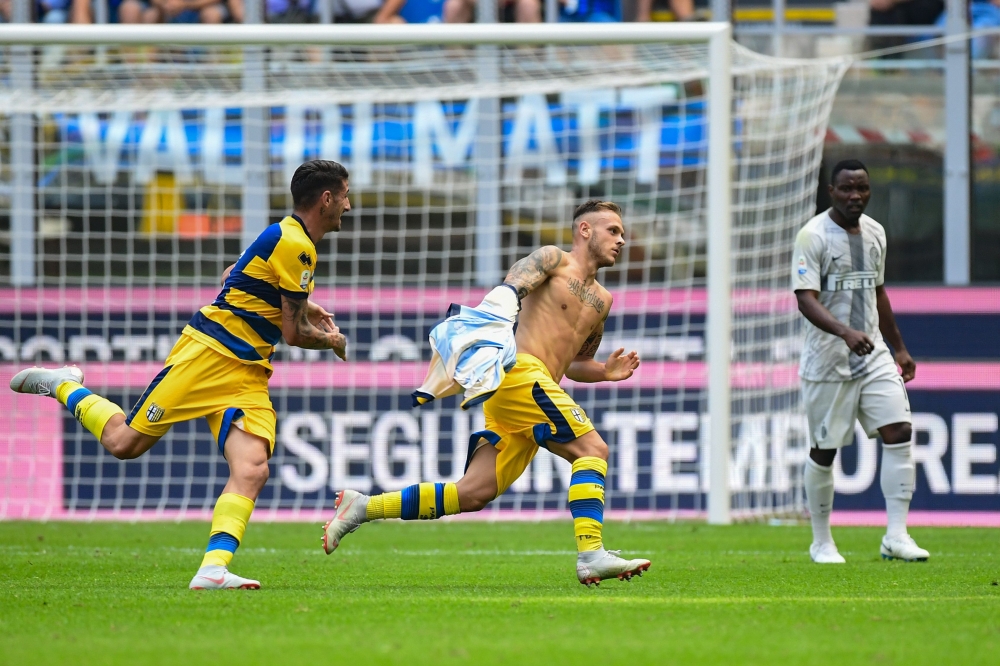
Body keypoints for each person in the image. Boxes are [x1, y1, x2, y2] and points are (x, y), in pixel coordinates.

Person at [10, 160, 351, 589]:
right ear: (326, 199)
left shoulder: (285, 235)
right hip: (208, 354)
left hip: (246, 370)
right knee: (124, 443)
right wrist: (333, 342)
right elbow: (293, 332)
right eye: (345, 195)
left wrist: (306, 306)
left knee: (253, 468)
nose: (348, 204)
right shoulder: (297, 244)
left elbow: (235, 275)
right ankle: (63, 385)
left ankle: (213, 569)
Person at [322, 200, 651, 586]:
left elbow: (575, 362)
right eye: (613, 230)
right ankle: (591, 554)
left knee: (473, 494)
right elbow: (517, 280)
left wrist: (605, 372)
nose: (621, 239)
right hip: (519, 373)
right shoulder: (553, 260)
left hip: (532, 390)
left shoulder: (604, 301)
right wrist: (505, 298)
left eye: (622, 233)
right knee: (593, 450)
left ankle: (362, 507)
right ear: (584, 230)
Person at [793, 159, 928, 564]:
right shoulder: (813, 236)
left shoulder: (876, 233)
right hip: (828, 360)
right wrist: (844, 332)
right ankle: (821, 541)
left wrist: (899, 347)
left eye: (862, 189)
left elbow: (879, 292)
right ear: (832, 191)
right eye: (847, 189)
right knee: (825, 451)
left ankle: (896, 536)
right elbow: (805, 297)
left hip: (873, 356)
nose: (856, 196)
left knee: (900, 431)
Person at [118, 0, 244, 24]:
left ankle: (212, 73)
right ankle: (138, 73)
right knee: (150, 15)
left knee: (211, 14)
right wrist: (166, 4)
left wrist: (185, 4)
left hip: (202, 8)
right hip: (165, 10)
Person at [444, 0, 539, 23]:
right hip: (475, 5)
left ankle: (527, 59)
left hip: (511, 5)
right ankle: (456, 62)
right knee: (454, 6)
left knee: (528, 4)